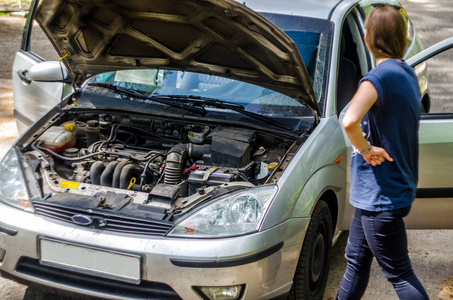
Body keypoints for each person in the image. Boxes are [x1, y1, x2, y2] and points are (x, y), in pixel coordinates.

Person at [336, 4, 429, 300]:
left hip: (380, 197)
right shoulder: (406, 73)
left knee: (400, 275)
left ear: (369, 37)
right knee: (355, 261)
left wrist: (365, 149)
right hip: (384, 193)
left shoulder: (377, 79)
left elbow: (350, 120)